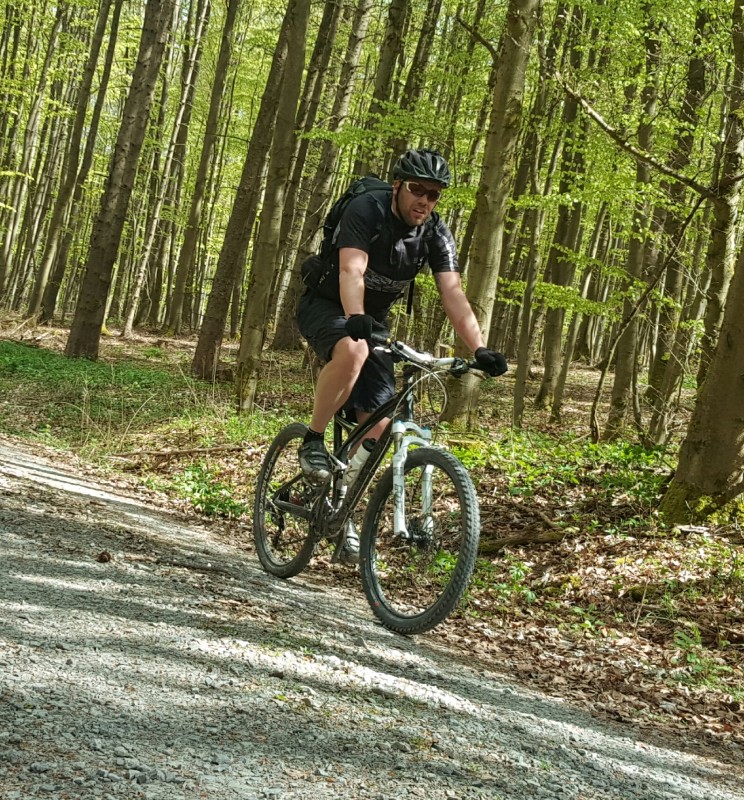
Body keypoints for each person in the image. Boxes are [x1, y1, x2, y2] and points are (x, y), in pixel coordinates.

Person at [296, 148, 507, 562]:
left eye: (434, 194)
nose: (424, 200)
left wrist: (479, 347)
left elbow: (453, 292)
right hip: (327, 305)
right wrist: (354, 316)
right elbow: (351, 270)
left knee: (378, 424)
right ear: (397, 186)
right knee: (353, 349)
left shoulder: (435, 234)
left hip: (369, 321)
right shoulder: (367, 210)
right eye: (417, 189)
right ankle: (313, 441)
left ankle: (338, 506)